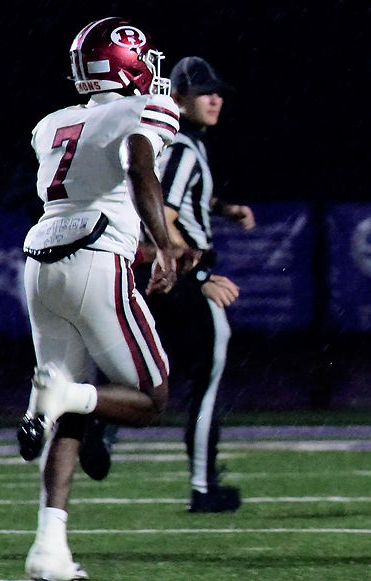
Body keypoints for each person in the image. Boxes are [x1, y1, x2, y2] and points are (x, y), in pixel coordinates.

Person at [16, 17, 186, 580]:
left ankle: (49, 549)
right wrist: (162, 247)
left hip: (40, 263)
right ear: (127, 61)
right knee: (153, 398)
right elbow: (140, 167)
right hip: (97, 257)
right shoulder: (144, 111)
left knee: (72, 399)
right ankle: (63, 395)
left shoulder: (51, 123)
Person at [136, 56, 255, 513]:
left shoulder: (185, 146)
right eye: (204, 91)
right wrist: (199, 274)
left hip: (172, 277)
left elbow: (182, 200)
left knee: (149, 373)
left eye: (218, 91)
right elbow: (162, 218)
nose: (215, 98)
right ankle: (204, 487)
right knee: (205, 381)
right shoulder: (182, 147)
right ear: (178, 98)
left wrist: (226, 210)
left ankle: (98, 429)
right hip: (186, 277)